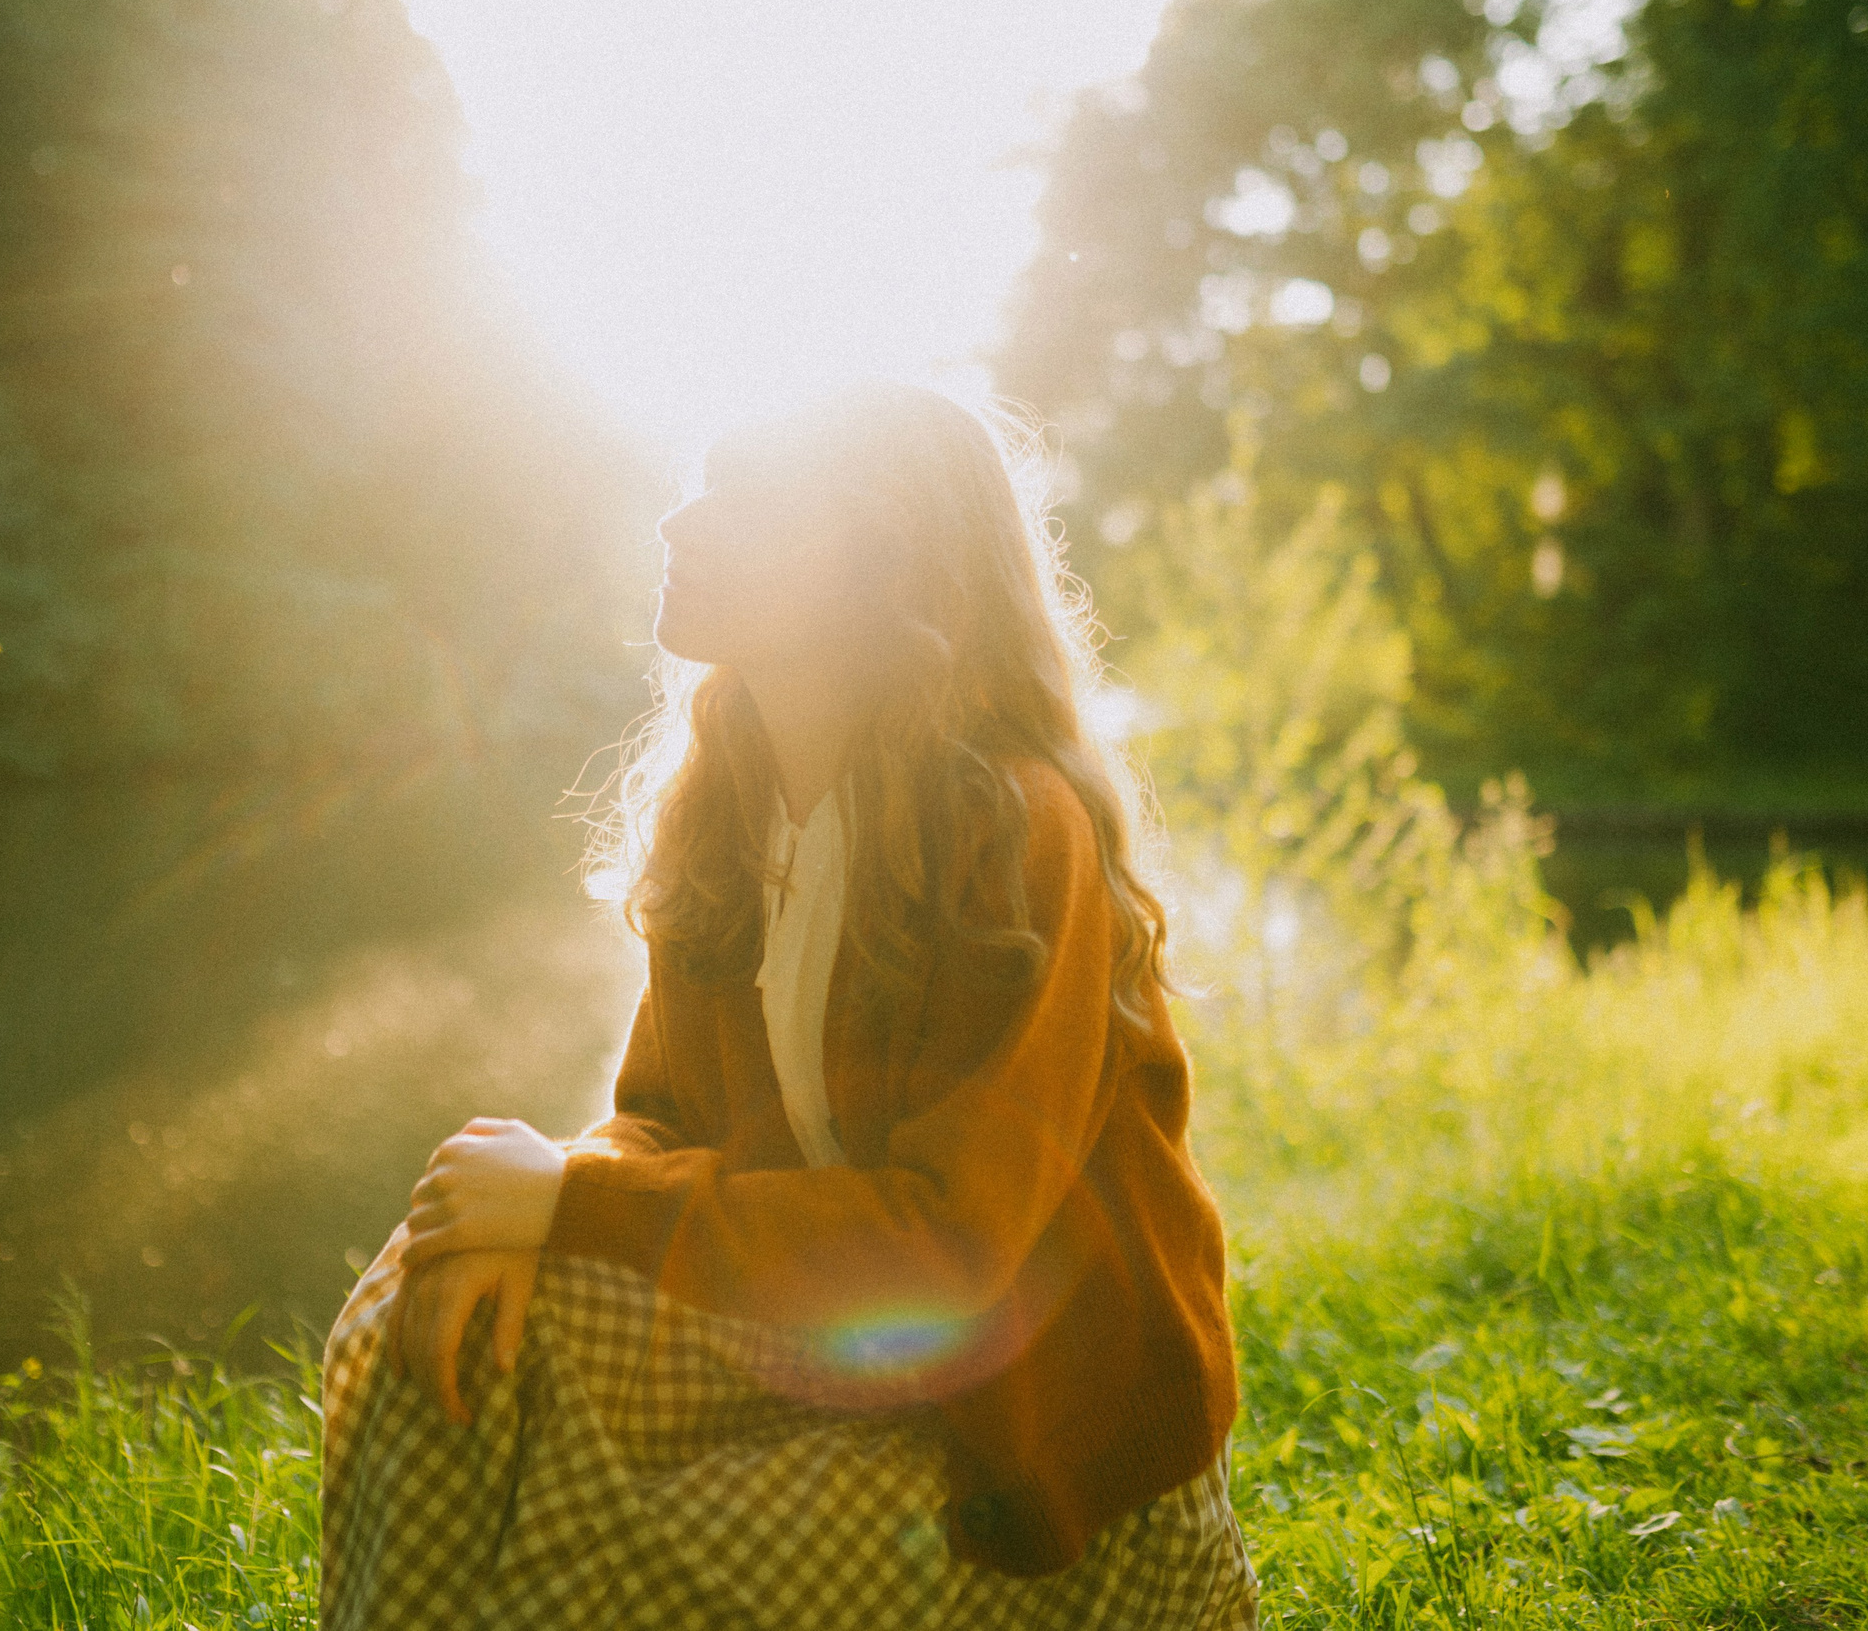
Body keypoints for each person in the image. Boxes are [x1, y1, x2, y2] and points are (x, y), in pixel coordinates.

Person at [320, 382, 1254, 1629]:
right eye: (701, 485)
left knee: (562, 1531)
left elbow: (950, 1251)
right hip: (837, 1344)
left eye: (749, 499)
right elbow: (661, 1117)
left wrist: (568, 1201)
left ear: (883, 562)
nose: (680, 523)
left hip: (1021, 1446)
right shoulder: (727, 810)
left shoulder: (1016, 833)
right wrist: (529, 1218)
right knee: (430, 1296)